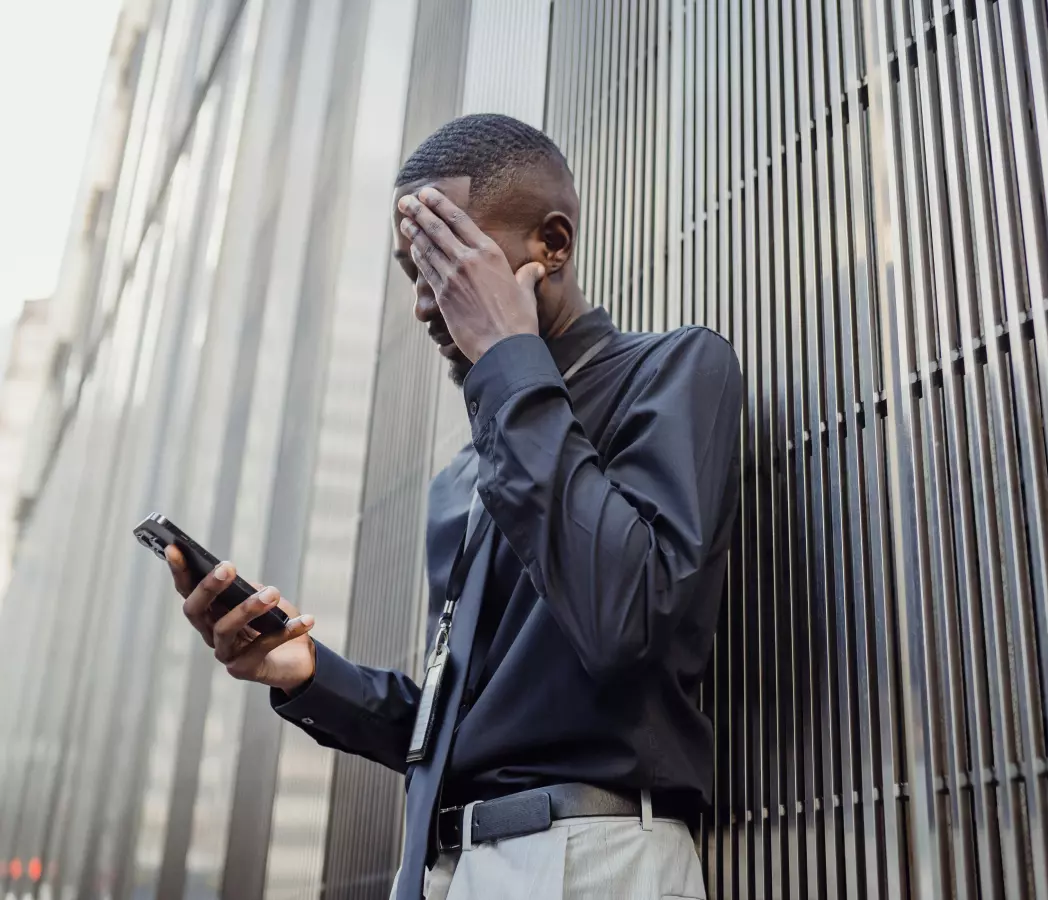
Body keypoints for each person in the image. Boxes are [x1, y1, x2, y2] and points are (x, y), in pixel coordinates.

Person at [165, 114, 742, 900]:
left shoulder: (673, 371)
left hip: (590, 856)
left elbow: (624, 618)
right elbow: (458, 728)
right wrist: (305, 674)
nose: (428, 303)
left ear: (553, 246)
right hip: (453, 866)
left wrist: (509, 360)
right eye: (414, 270)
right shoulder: (465, 474)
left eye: (450, 259)